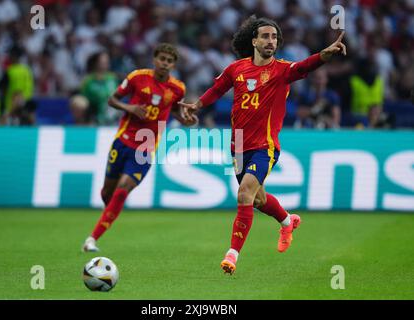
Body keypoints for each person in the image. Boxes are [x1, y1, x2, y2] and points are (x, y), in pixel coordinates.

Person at [179, 16, 347, 274]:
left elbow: (305, 66)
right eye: (266, 36)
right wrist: (196, 106)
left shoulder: (282, 71)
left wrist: (325, 53)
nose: (271, 41)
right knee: (257, 199)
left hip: (264, 146)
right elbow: (216, 89)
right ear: (254, 40)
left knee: (245, 193)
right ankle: (287, 220)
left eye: (275, 37)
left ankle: (232, 255)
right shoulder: (236, 69)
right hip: (237, 146)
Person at [82, 43, 197, 252]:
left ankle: (92, 239)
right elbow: (112, 99)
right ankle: (108, 214)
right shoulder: (137, 77)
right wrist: (130, 108)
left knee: (123, 187)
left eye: (169, 61)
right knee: (108, 193)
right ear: (154, 59)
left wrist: (185, 121)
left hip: (145, 148)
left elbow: (172, 110)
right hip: (123, 141)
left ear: (174, 65)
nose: (165, 63)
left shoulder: (178, 88)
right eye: (162, 59)